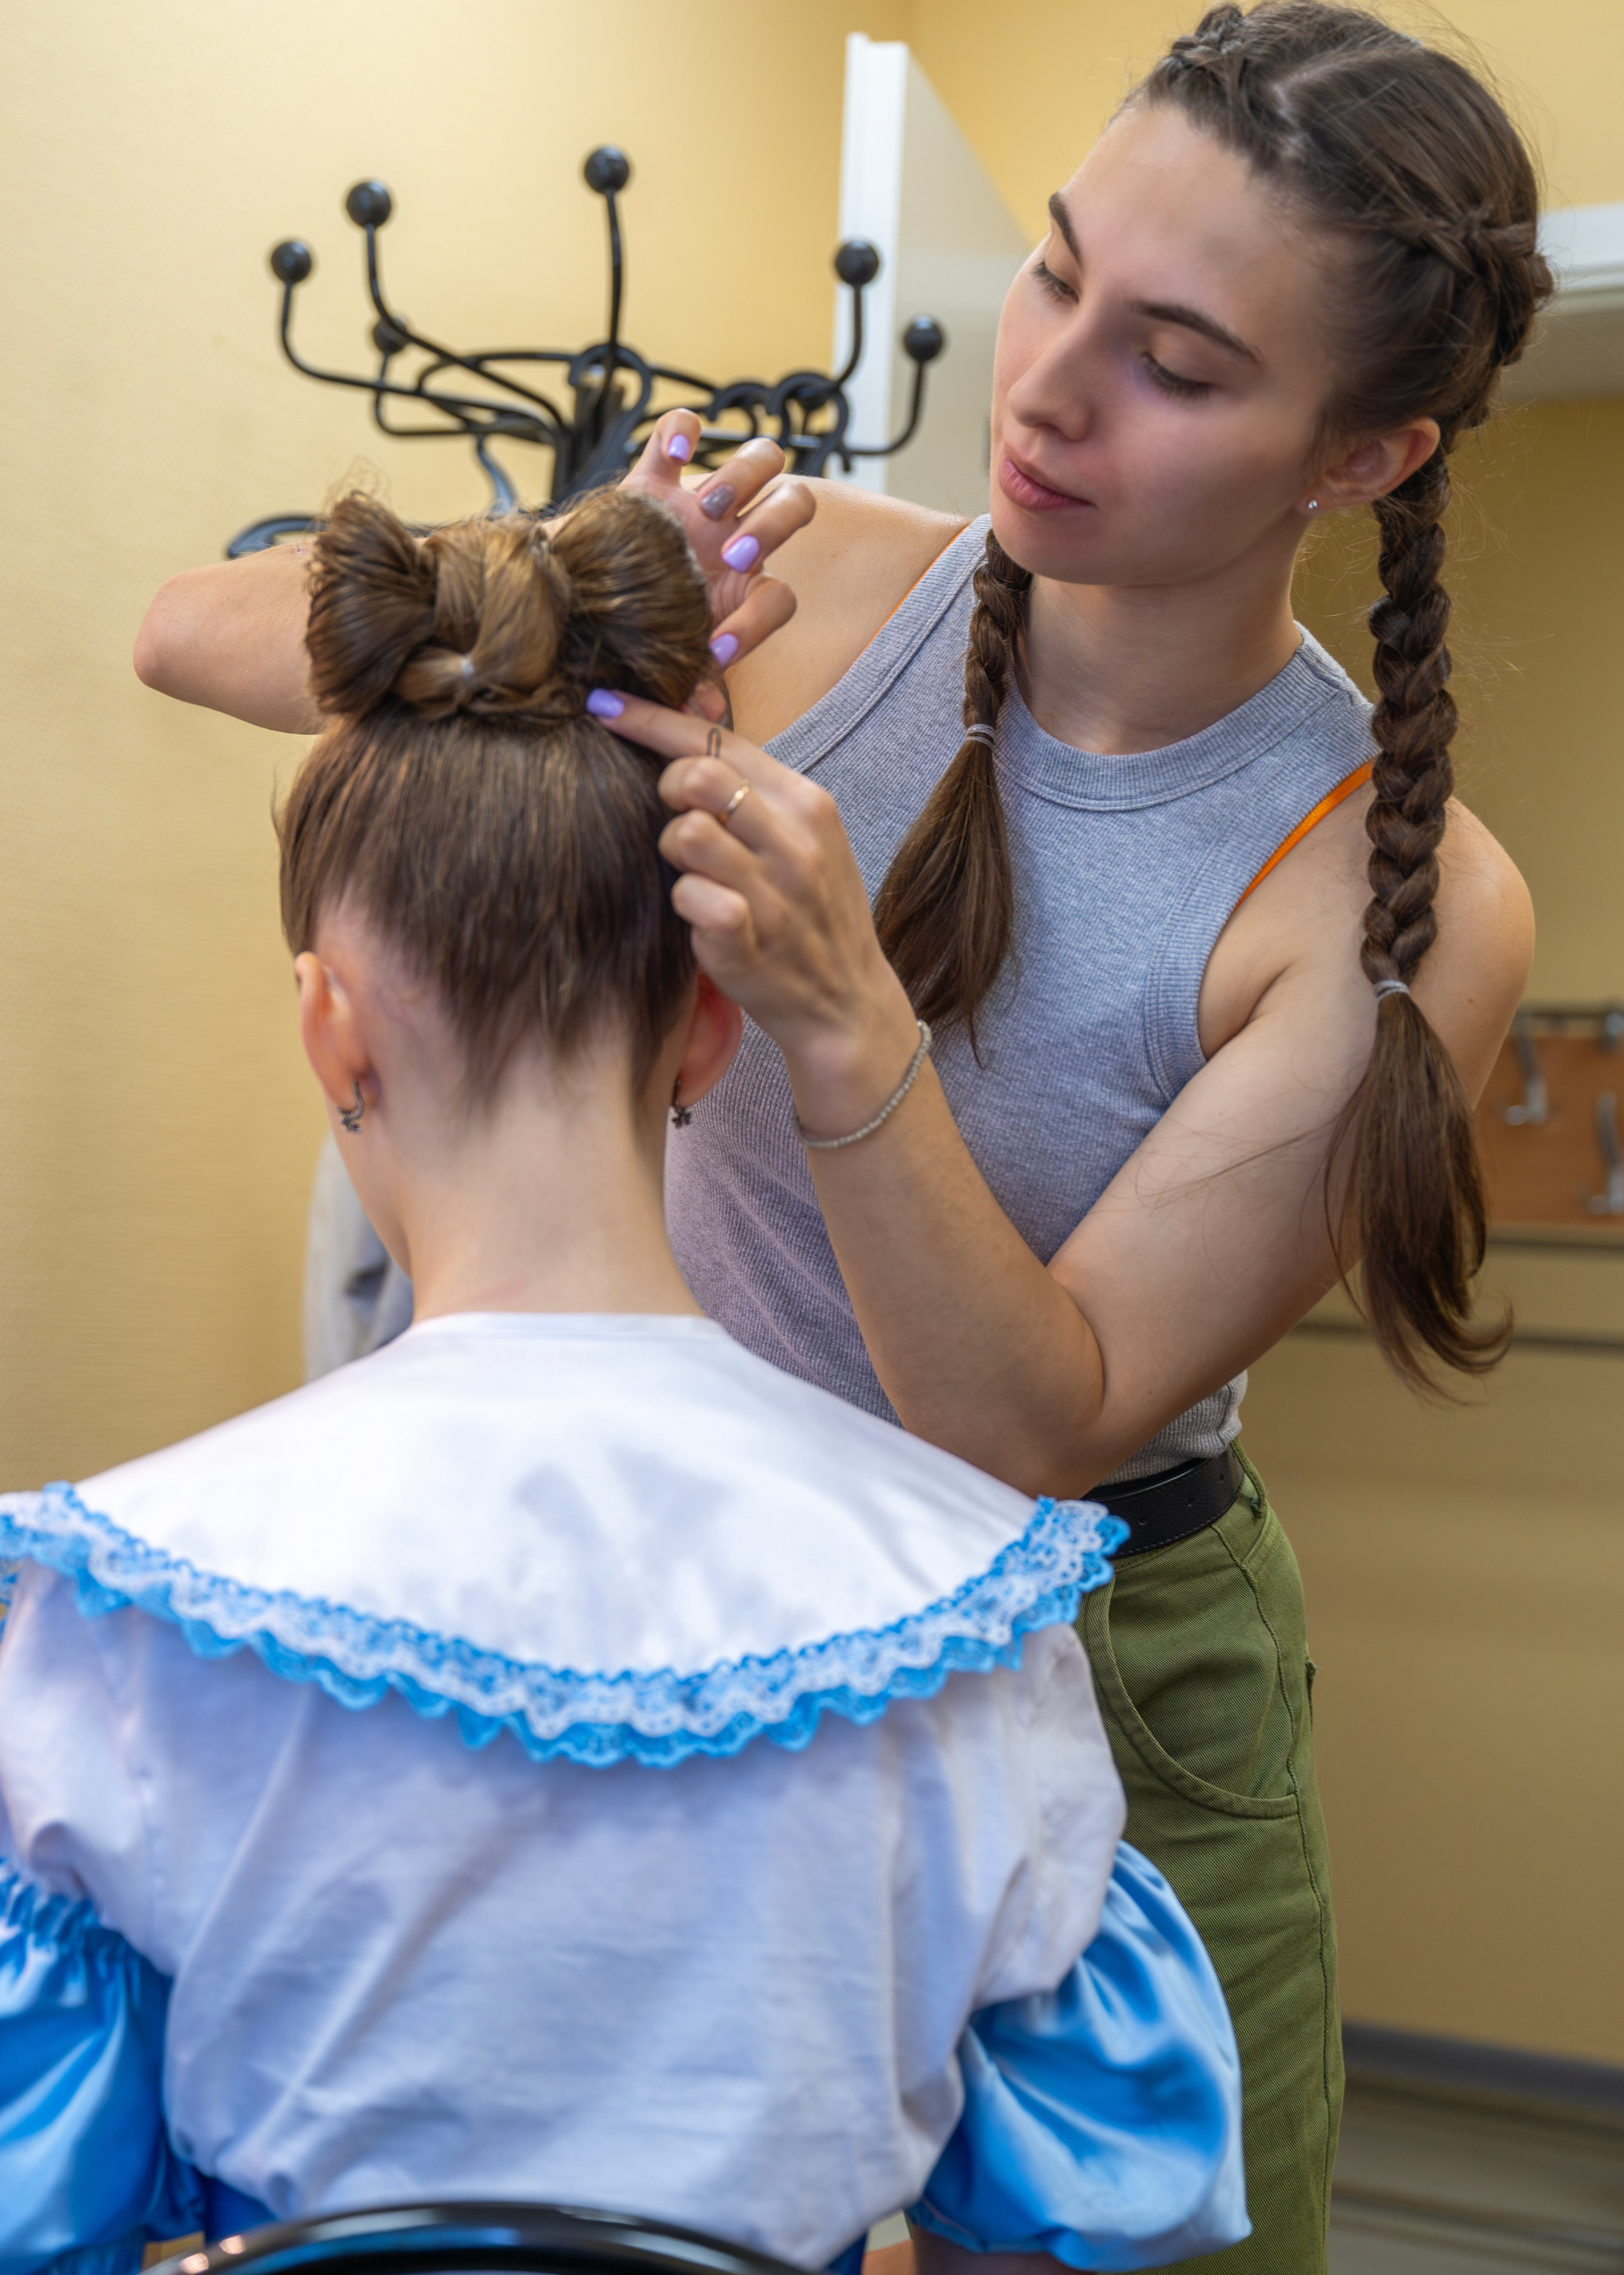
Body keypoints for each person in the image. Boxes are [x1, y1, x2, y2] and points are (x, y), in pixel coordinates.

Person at [131, 0, 1546, 2274]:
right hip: (738, 1586)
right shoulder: (830, 588)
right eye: (1061, 270)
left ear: (1363, 458)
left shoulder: (1392, 895)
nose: (1052, 381)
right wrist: (569, 573)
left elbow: (1033, 1422)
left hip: (1110, 1656)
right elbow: (182, 640)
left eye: (1178, 365)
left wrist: (842, 1020)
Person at [0, 488, 1245, 2275]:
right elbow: (1066, 2240)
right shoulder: (974, 1619)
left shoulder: (115, 1616)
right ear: (711, 1030)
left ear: (330, 1027)